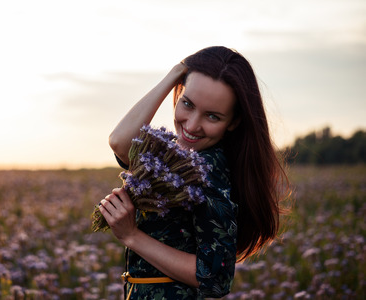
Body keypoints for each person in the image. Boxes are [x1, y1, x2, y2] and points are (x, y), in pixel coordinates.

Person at [98, 46, 289, 299]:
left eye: (212, 116)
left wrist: (132, 236)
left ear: (233, 122)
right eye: (187, 103)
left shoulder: (206, 170)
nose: (192, 125)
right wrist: (176, 73)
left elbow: (215, 278)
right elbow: (120, 143)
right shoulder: (183, 160)